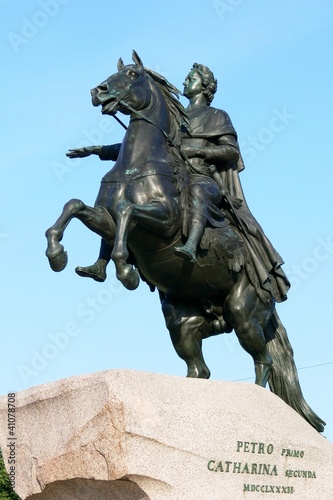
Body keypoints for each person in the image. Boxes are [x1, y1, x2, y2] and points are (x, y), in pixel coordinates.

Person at [67, 63, 290, 303]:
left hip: (202, 176)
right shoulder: (174, 117)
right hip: (173, 172)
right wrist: (98, 150)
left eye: (191, 78)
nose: (185, 82)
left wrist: (197, 149)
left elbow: (230, 152)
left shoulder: (216, 115)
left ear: (204, 87)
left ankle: (191, 245)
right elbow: (143, 148)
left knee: (196, 190)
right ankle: (103, 262)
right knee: (121, 191)